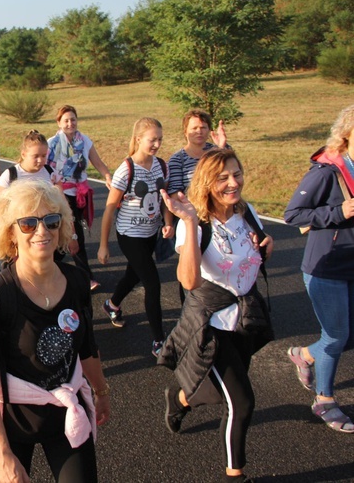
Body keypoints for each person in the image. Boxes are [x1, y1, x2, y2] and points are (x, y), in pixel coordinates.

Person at [0, 179, 110, 482]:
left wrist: (101, 391)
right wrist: (2, 454)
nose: (42, 231)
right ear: (11, 234)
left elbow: (86, 348)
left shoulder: (77, 281)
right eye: (28, 223)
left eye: (51, 220)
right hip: (15, 422)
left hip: (66, 411)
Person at [158, 148, 274, 483]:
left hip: (245, 319)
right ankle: (234, 474)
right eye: (222, 177)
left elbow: (256, 253)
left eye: (236, 174)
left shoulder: (247, 212)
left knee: (220, 390)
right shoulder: (194, 222)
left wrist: (266, 245)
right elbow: (190, 281)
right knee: (242, 402)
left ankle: (179, 399)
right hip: (211, 325)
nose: (232, 182)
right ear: (207, 182)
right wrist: (190, 220)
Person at [283, 104, 354, 434]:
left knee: (344, 335)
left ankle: (305, 355)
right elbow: (293, 215)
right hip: (326, 267)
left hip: (352, 263)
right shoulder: (326, 172)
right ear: (347, 133)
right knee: (337, 335)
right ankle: (324, 400)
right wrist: (339, 210)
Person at [97, 118, 173, 356]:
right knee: (152, 283)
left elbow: (164, 199)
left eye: (160, 139)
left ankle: (112, 304)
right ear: (138, 139)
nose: (157, 144)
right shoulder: (126, 169)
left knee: (133, 274)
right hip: (129, 234)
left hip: (151, 233)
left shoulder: (161, 165)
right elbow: (110, 208)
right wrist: (103, 246)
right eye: (152, 139)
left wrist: (168, 222)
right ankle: (159, 341)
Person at [48, 105, 113, 291]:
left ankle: (48, 266)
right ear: (59, 123)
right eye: (66, 120)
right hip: (60, 194)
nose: (70, 123)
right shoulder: (52, 144)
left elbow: (97, 162)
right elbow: (44, 169)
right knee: (75, 235)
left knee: (64, 237)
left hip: (80, 193)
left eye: (73, 119)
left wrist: (107, 177)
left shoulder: (84, 140)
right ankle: (86, 278)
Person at [0, 130, 54, 195]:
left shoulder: (51, 172)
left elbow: (61, 202)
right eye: (35, 156)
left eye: (44, 156)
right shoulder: (10, 175)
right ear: (23, 154)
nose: (40, 160)